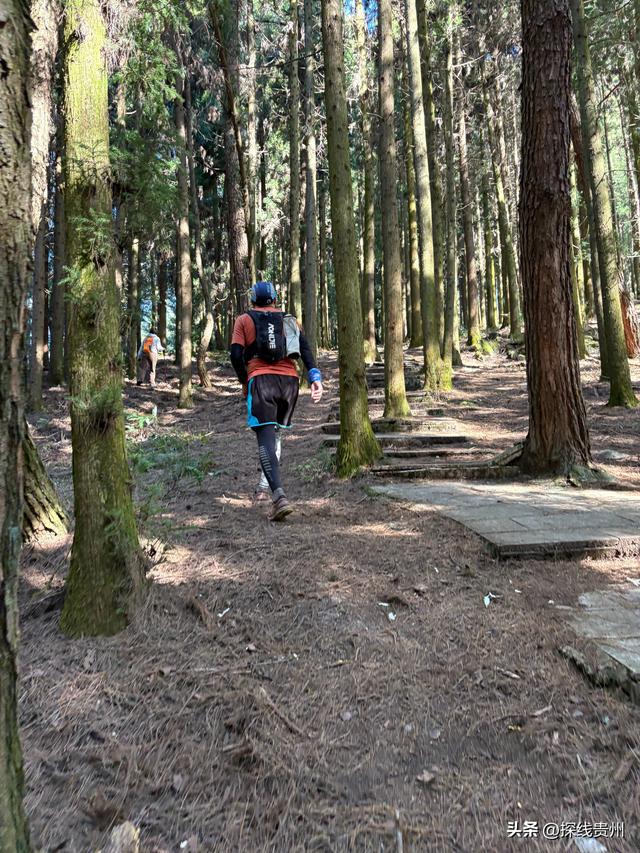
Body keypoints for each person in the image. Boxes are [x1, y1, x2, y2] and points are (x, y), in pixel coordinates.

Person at [230, 281, 323, 521]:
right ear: (275, 299)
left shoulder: (244, 320)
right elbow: (305, 349)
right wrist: (315, 377)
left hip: (261, 382)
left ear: (253, 299)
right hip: (289, 384)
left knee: (265, 439)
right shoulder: (289, 319)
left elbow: (236, 354)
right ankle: (264, 485)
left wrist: (244, 379)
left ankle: (279, 497)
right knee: (277, 434)